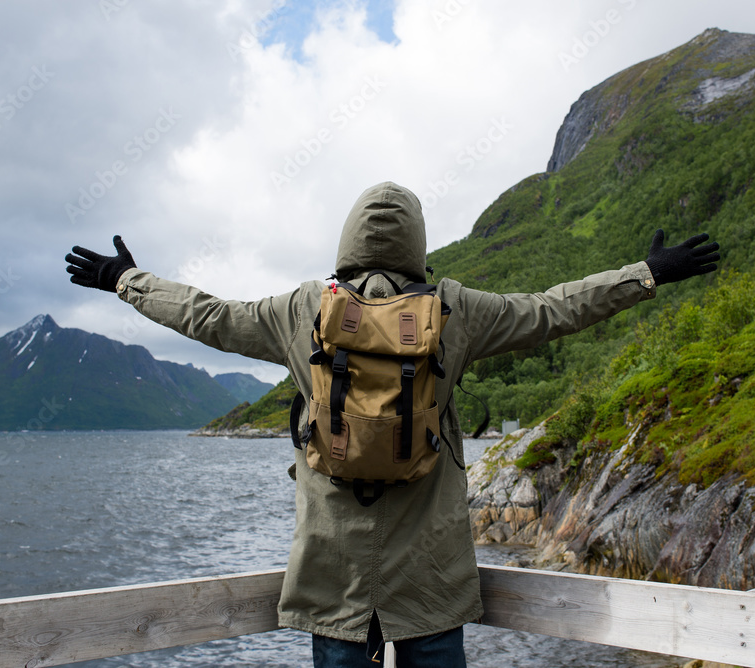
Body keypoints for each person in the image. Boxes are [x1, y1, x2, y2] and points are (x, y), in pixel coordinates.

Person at [65, 181, 719, 667]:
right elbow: (553, 310)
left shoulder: (300, 311)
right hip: (431, 576)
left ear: (345, 246)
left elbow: (204, 315)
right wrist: (645, 274)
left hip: (333, 577)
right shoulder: (454, 309)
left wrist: (127, 279)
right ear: (417, 248)